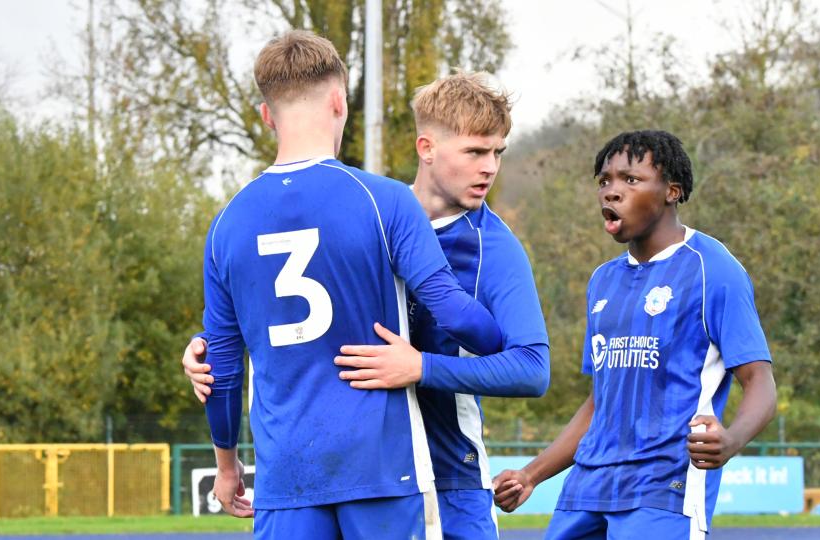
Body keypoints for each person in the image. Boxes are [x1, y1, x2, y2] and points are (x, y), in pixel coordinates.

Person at [198, 30, 503, 540]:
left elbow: (221, 369)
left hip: (285, 478)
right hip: (383, 470)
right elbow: (452, 313)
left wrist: (227, 466)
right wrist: (499, 341)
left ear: (267, 115)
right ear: (339, 101)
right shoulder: (383, 200)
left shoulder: (228, 223)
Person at [492, 130, 777, 539]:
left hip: (664, 489)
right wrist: (532, 474)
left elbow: (761, 382)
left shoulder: (713, 270)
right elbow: (599, 403)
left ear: (671, 191)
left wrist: (730, 440)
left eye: (630, 179)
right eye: (605, 181)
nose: (611, 192)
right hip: (587, 488)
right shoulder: (602, 281)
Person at [332, 73, 551, 540]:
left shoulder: (495, 248)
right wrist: (208, 344)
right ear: (427, 147)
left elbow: (533, 370)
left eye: (498, 152)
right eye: (475, 152)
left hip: (451, 479)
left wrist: (421, 368)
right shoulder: (370, 217)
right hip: (361, 478)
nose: (490, 167)